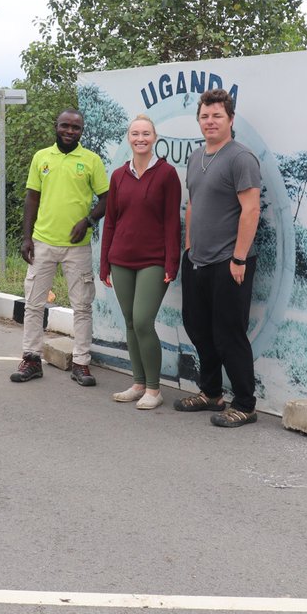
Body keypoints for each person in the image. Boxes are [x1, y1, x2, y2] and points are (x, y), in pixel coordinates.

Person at [174, 88, 263, 428]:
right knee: (197, 327)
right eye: (205, 116)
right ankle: (211, 392)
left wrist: (239, 259)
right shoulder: (196, 157)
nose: (210, 122)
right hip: (197, 260)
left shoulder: (241, 158)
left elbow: (250, 210)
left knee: (229, 333)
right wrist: (188, 247)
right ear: (199, 120)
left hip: (230, 262)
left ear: (230, 120)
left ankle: (245, 403)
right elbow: (194, 203)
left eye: (217, 116)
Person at [11, 108, 109, 387]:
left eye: (75, 128)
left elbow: (106, 199)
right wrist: (26, 237)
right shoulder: (41, 157)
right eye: (65, 126)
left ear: (82, 131)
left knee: (82, 306)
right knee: (33, 303)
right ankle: (31, 359)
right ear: (56, 126)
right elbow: (32, 198)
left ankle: (81, 363)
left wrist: (88, 220)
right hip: (42, 242)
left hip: (76, 247)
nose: (69, 131)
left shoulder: (91, 161)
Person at [99, 115, 181, 410]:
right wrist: (104, 263)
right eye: (135, 133)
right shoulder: (119, 175)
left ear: (154, 137)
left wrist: (172, 262)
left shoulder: (167, 174)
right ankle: (138, 383)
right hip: (120, 258)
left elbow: (173, 223)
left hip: (153, 260)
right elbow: (111, 222)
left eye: (146, 133)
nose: (140, 138)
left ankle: (154, 389)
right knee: (131, 322)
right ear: (128, 138)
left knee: (144, 321)